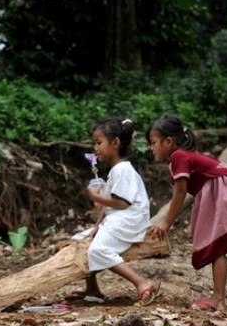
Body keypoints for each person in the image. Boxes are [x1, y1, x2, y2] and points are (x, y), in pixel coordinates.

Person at [145, 114, 227, 311]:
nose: (151, 148)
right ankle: (218, 297)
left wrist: (166, 223)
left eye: (154, 142)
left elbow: (180, 192)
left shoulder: (178, 156)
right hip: (222, 187)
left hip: (226, 188)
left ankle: (218, 299)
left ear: (168, 141)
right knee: (217, 245)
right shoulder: (180, 156)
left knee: (217, 245)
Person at [67, 117, 161, 306]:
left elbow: (122, 203)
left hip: (130, 219)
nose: (96, 148)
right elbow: (108, 207)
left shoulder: (122, 170)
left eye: (99, 142)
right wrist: (95, 228)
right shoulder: (115, 170)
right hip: (118, 217)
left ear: (115, 143)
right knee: (80, 241)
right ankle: (92, 288)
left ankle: (142, 283)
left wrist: (95, 197)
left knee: (99, 249)